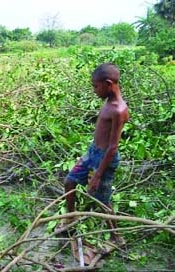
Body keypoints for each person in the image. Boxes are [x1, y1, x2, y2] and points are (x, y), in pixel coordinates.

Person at [62, 63, 129, 244]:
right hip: (92, 152)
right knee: (70, 181)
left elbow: (113, 146)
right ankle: (70, 218)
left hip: (104, 159)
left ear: (108, 84)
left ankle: (116, 237)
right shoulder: (107, 102)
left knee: (101, 201)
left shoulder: (119, 110)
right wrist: (87, 155)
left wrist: (97, 175)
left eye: (95, 86)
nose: (94, 90)